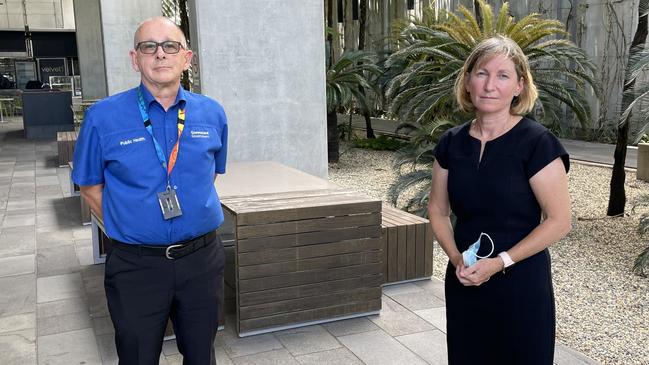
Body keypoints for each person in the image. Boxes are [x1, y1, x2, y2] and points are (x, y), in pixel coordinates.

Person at [72, 16, 228, 365]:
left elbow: (210, 176)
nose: (160, 54)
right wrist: (124, 227)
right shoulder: (103, 117)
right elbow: (88, 185)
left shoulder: (212, 114)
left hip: (201, 261)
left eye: (170, 46)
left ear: (186, 58)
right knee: (137, 356)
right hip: (135, 265)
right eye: (149, 47)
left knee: (202, 355)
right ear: (135, 58)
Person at [428, 35, 571, 365]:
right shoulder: (451, 143)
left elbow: (559, 221)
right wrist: (455, 258)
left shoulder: (537, 144)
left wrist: (500, 262)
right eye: (481, 73)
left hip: (520, 285)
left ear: (520, 86)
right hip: (466, 282)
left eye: (503, 75)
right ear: (467, 81)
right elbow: (437, 210)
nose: (490, 85)